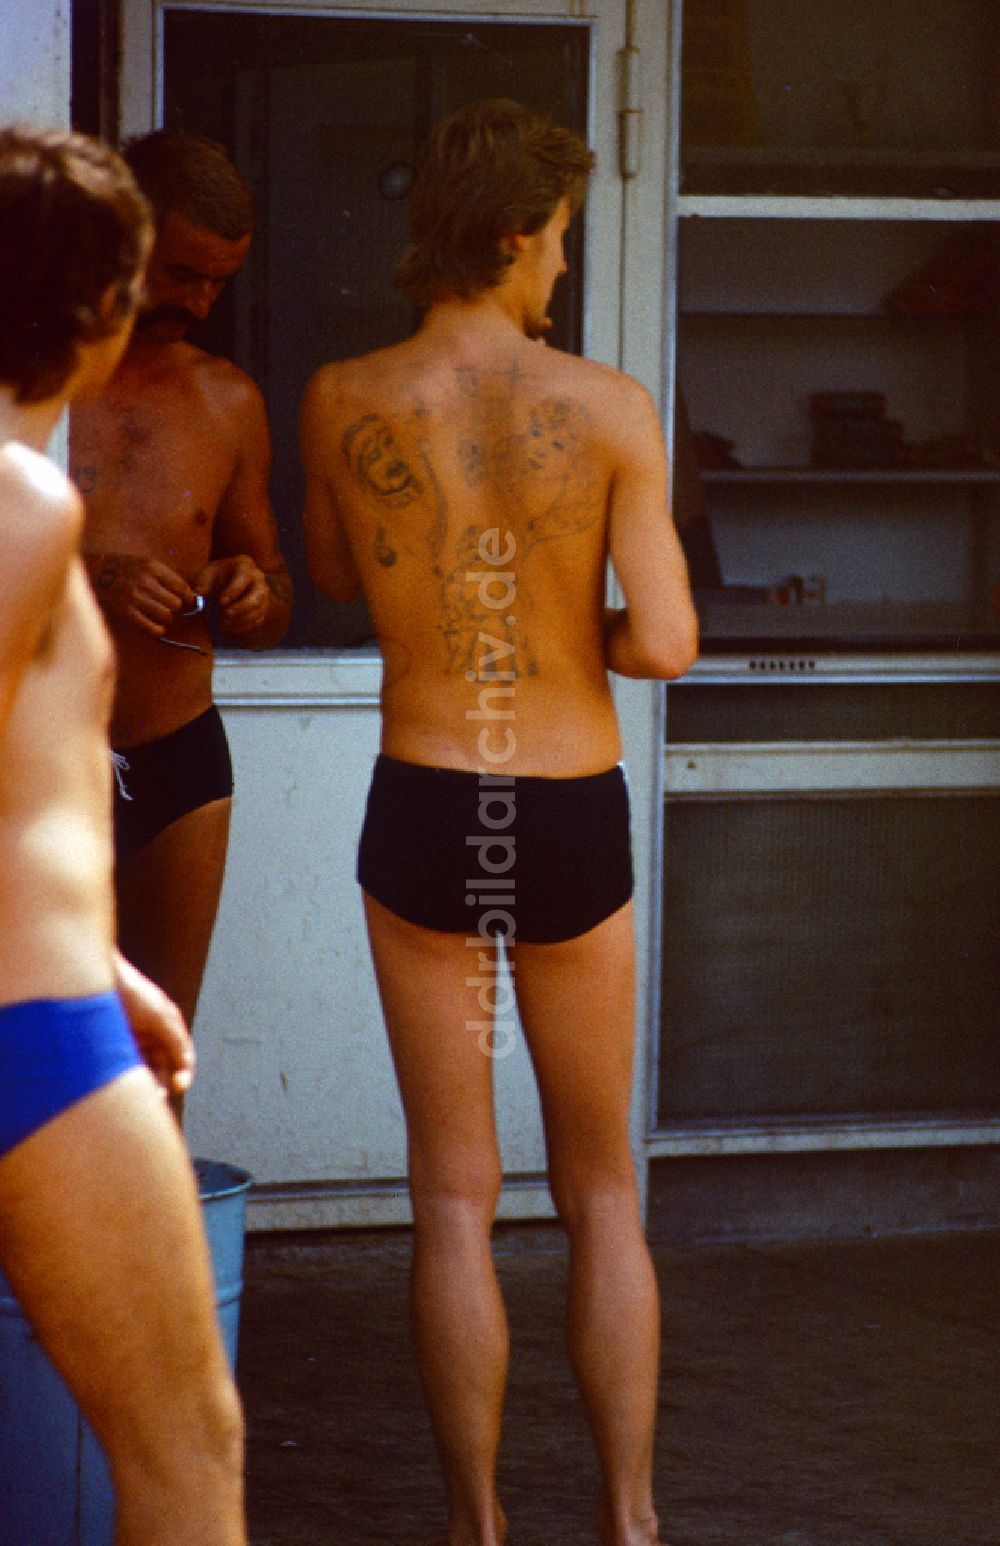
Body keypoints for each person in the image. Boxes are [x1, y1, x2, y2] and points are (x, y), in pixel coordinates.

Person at [301, 99, 698, 1546]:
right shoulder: (609, 408)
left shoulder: (342, 393)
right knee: (600, 1192)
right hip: (567, 800)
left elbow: (339, 569)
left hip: (426, 797)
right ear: (519, 234)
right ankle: (630, 1520)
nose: (564, 275)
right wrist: (563, 620)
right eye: (563, 243)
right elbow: (664, 640)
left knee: (453, 1197)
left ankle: (476, 1525)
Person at [0, 124, 245, 1545]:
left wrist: (108, 962)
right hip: (33, 1031)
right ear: (93, 305)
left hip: (58, 991)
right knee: (188, 1447)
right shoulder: (26, 497)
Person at [71, 128, 292, 1046]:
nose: (199, 304)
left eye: (219, 283)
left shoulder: (227, 400)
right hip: (42, 758)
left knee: (160, 1054)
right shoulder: (36, 378)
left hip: (179, 757)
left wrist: (252, 592)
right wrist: (90, 575)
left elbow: (277, 595)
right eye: (180, 274)